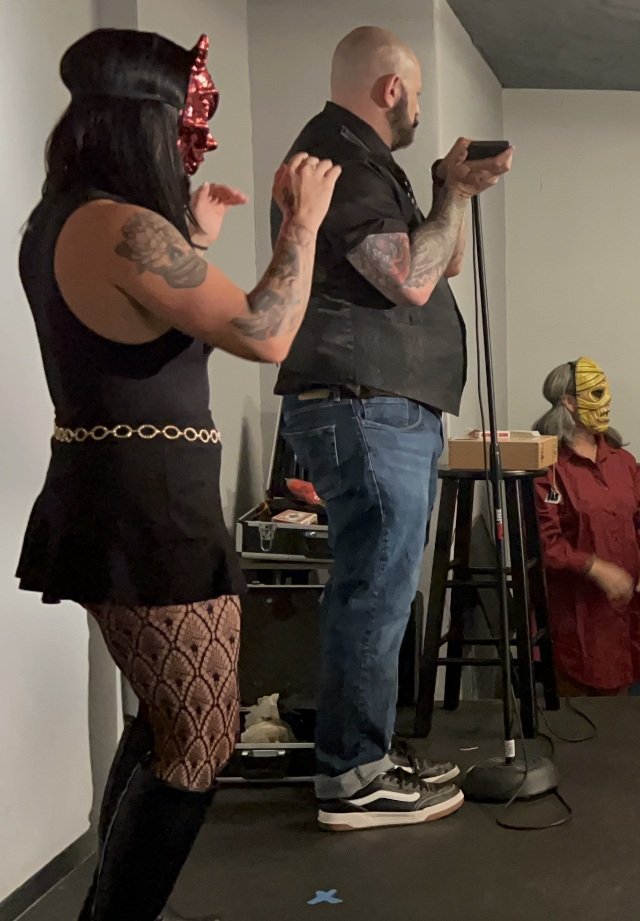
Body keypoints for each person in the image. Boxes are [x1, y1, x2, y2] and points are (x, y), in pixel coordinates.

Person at [18, 28, 337, 919]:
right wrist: (301, 227)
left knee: (166, 724)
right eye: (181, 128)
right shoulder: (119, 227)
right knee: (200, 741)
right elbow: (267, 332)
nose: (188, 147)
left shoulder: (67, 220)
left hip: (118, 490)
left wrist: (191, 238)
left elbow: (132, 336)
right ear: (143, 127)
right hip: (146, 504)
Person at [276, 26, 511, 831]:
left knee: (376, 585)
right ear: (390, 89)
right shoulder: (339, 158)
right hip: (363, 403)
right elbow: (411, 279)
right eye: (412, 93)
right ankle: (352, 774)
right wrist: (450, 197)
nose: (417, 109)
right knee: (377, 588)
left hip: (377, 404)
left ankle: (360, 752)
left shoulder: (364, 163)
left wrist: (453, 190)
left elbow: (431, 259)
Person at [533, 358, 640, 696]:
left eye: (606, 392)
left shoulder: (623, 462)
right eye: (595, 393)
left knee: (619, 715)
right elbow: (546, 543)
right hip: (578, 616)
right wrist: (595, 567)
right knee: (579, 714)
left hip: (627, 609)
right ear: (569, 401)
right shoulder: (547, 465)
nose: (605, 401)